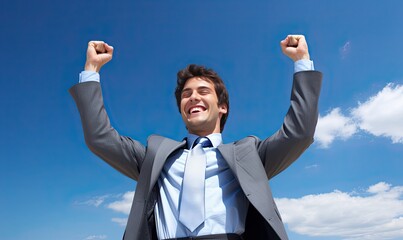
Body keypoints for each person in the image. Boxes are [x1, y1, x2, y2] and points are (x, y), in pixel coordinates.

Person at [69, 35, 322, 240]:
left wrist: (301, 61)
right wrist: (92, 69)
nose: (193, 97)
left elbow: (298, 133)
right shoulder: (154, 156)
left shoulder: (250, 154)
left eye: (203, 91)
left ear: (222, 107)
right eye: (186, 94)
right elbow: (99, 138)